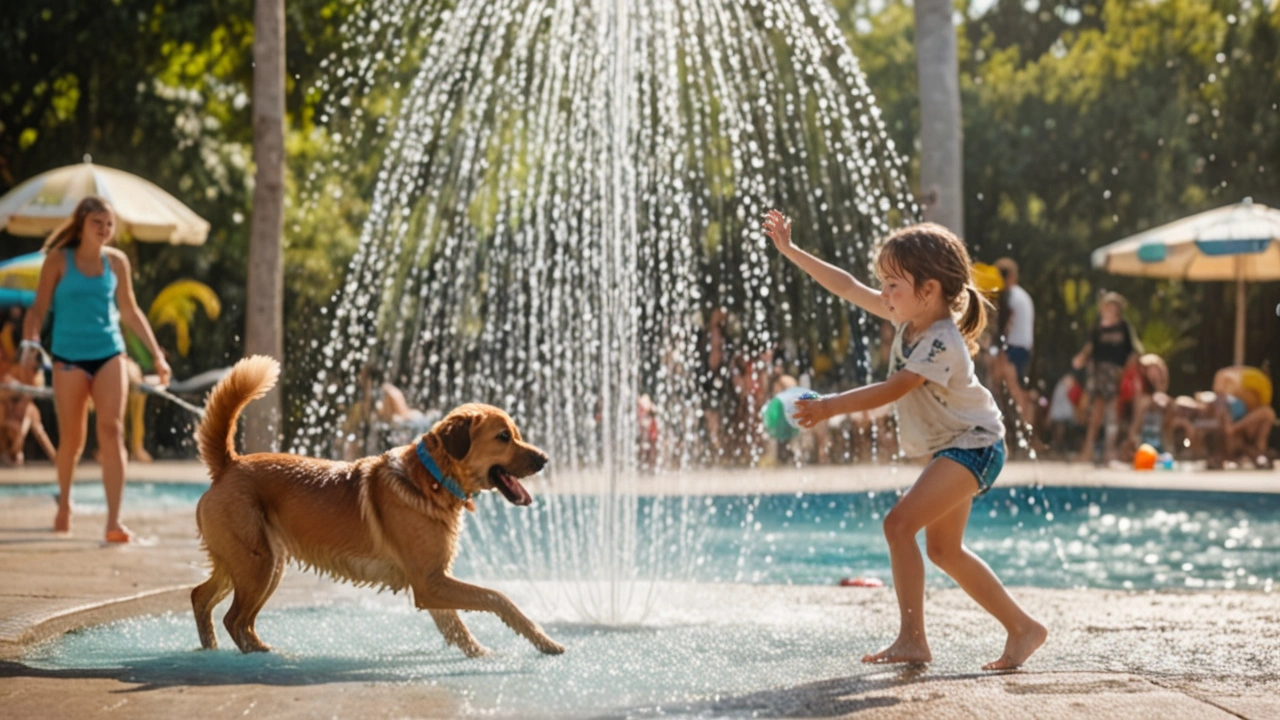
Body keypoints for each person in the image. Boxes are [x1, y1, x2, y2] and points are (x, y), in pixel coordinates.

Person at [763, 211, 1046, 670]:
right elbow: (848, 286)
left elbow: (896, 387)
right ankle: (1023, 628)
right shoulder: (908, 319)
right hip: (959, 446)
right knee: (942, 550)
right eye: (885, 283)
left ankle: (913, 639)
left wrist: (830, 406)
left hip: (975, 445)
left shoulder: (940, 340)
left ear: (929, 290)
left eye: (893, 284)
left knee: (898, 526)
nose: (884, 293)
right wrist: (791, 252)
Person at [21, 196, 171, 543]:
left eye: (109, 225)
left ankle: (113, 521)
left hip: (109, 354)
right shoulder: (58, 261)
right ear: (81, 223)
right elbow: (38, 309)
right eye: (97, 223)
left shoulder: (116, 263)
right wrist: (30, 341)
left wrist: (156, 358)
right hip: (68, 357)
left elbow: (131, 313)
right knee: (72, 439)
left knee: (112, 430)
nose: (104, 230)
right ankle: (64, 505)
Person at [1071, 292, 1138, 465]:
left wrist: (1125, 375)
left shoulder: (1123, 327)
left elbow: (1132, 352)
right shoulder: (1098, 328)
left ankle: (1109, 452)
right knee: (1096, 412)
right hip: (1099, 372)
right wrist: (1081, 359)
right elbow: (1091, 348)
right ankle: (1088, 450)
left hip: (1116, 372)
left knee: (1113, 412)